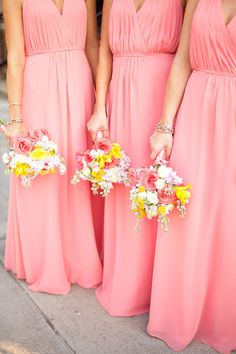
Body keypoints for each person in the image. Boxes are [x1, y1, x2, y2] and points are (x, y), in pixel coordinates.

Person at [148, 0, 236, 352]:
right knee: (187, 211)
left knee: (228, 217)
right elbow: (182, 59)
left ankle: (223, 317)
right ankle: (179, 312)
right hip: (197, 109)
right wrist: (165, 125)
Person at [87, 0, 185, 316]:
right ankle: (126, 283)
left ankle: (160, 289)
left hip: (162, 96)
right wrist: (100, 108)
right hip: (121, 96)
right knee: (124, 188)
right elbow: (104, 52)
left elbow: (189, 49)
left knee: (158, 189)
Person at [3, 0, 102, 294]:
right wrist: (17, 117)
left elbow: (93, 47)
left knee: (78, 173)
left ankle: (80, 256)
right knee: (45, 176)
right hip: (39, 88)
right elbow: (15, 55)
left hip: (80, 84)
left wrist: (101, 103)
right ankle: (44, 260)